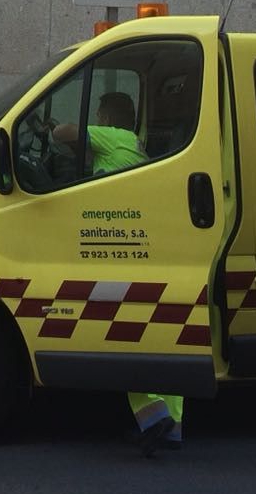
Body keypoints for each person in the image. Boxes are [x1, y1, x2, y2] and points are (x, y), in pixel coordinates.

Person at [55, 91, 184, 456]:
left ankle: (153, 416)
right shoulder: (133, 144)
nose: (96, 118)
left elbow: (62, 133)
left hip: (118, 246)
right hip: (139, 243)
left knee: (121, 333)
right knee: (161, 334)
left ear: (107, 118)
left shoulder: (116, 137)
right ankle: (170, 427)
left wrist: (71, 128)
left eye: (98, 114)